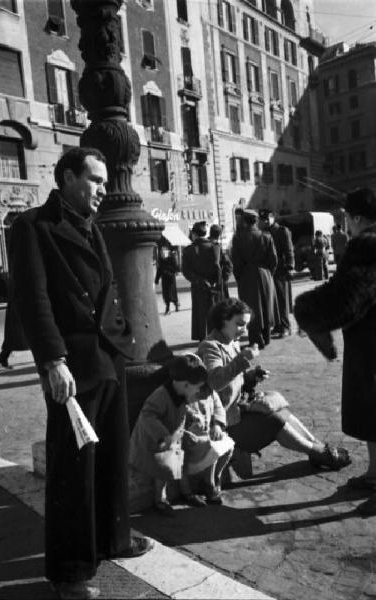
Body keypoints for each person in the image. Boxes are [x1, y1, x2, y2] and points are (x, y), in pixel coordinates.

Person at [10, 147, 153, 600]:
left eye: (105, 181)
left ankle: (115, 540)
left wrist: (122, 338)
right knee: (74, 471)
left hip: (108, 358)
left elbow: (107, 288)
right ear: (68, 177)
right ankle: (69, 573)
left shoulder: (91, 225)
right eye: (94, 180)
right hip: (71, 367)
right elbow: (34, 300)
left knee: (111, 457)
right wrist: (52, 362)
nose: (102, 190)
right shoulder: (33, 226)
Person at [294, 188, 376, 516]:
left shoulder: (366, 246)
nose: (346, 224)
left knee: (372, 406)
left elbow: (347, 297)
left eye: (346, 217)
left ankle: (375, 475)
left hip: (371, 341)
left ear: (356, 217)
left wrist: (306, 308)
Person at [198, 298, 350, 473]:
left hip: (237, 410)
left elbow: (232, 379)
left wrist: (251, 376)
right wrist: (242, 360)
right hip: (222, 422)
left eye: (246, 325)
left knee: (282, 412)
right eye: (240, 324)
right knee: (274, 421)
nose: (244, 330)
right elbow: (215, 382)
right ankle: (318, 453)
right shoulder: (210, 347)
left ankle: (318, 447)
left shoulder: (230, 341)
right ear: (223, 320)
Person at [129, 354, 232, 515]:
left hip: (173, 437)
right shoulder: (161, 396)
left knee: (178, 463)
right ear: (186, 384)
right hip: (156, 441)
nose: (199, 390)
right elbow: (148, 415)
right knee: (161, 471)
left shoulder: (181, 391)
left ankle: (187, 493)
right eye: (197, 386)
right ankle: (160, 499)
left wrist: (191, 415)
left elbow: (182, 407)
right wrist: (164, 435)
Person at [231, 209, 278, 349]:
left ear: (245, 221)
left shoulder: (238, 238)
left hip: (247, 275)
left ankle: (256, 339)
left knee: (251, 308)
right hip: (265, 274)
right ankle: (266, 337)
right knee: (266, 305)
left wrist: (239, 276)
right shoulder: (266, 236)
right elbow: (273, 260)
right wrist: (269, 274)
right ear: (256, 221)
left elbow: (236, 261)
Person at [182, 221, 222, 341]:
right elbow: (220, 267)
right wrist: (216, 282)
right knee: (215, 314)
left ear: (194, 234)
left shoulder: (188, 250)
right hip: (214, 287)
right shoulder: (215, 247)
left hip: (198, 287)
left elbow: (186, 271)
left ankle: (203, 340)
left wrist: (199, 280)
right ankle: (216, 339)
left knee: (200, 316)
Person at [259, 209, 295, 338]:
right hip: (269, 270)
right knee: (272, 299)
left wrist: (290, 266)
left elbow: (289, 249)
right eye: (263, 219)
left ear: (273, 218)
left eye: (268, 218)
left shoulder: (282, 231)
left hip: (281, 269)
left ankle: (286, 326)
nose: (266, 221)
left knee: (282, 299)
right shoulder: (263, 233)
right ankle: (278, 325)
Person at [208, 224, 233, 299]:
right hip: (218, 281)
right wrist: (224, 278)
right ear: (219, 235)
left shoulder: (203, 246)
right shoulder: (217, 247)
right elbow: (228, 265)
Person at [155, 244, 179, 315]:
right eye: (161, 251)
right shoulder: (161, 259)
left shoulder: (172, 257)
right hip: (164, 279)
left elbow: (176, 268)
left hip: (171, 278)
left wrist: (169, 271)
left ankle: (176, 304)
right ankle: (167, 308)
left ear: (167, 251)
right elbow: (159, 270)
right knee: (166, 294)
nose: (162, 252)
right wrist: (157, 279)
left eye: (164, 250)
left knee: (172, 293)